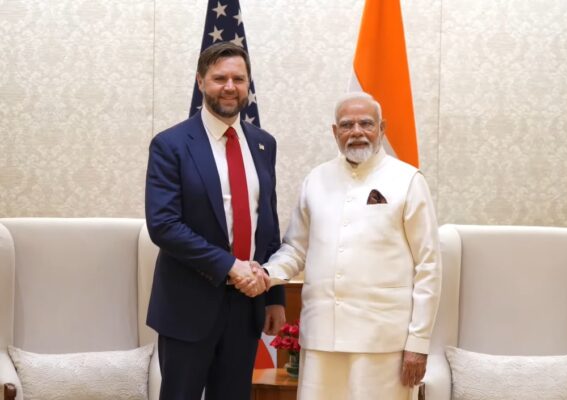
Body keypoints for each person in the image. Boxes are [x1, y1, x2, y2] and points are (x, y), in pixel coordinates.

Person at [260, 92, 442, 399]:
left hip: (383, 343)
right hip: (321, 339)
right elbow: (295, 250)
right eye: (347, 125)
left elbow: (429, 267)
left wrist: (418, 343)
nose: (356, 131)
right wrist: (265, 274)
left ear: (382, 128)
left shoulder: (408, 180)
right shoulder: (316, 180)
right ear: (335, 132)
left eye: (366, 123)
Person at [145, 42, 286, 400]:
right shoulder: (171, 144)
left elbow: (267, 224)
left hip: (247, 305)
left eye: (239, 79)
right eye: (220, 78)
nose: (230, 87)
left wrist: (275, 296)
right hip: (188, 306)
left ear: (248, 84)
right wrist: (229, 266)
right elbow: (164, 224)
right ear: (200, 82)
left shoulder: (264, 144)